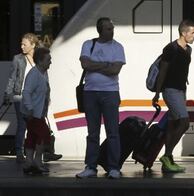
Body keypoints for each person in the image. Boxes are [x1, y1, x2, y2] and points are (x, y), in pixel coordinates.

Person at [76, 17, 126, 179]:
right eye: (108, 29)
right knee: (92, 133)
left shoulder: (118, 47)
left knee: (113, 132)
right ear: (100, 30)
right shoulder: (88, 44)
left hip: (110, 93)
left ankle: (114, 167)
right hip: (90, 93)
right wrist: (106, 65)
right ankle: (90, 167)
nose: (112, 32)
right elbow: (85, 65)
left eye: (112, 28)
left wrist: (95, 65)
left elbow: (115, 70)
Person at [3, 33, 62, 163]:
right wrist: (8, 95)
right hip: (21, 97)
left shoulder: (41, 58)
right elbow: (12, 78)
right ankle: (21, 152)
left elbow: (45, 79)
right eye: (21, 44)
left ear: (33, 45)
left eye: (25, 44)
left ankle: (40, 155)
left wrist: (48, 96)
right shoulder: (18, 59)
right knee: (24, 126)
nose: (22, 46)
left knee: (38, 127)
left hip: (38, 99)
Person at [152, 19, 194, 173]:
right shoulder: (170, 49)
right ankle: (167, 155)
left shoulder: (188, 50)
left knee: (172, 124)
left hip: (181, 90)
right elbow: (163, 71)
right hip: (170, 90)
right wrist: (157, 93)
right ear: (184, 33)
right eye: (192, 32)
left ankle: (168, 160)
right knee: (184, 122)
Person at [20, 47, 53, 174]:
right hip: (32, 113)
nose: (50, 62)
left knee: (32, 136)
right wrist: (30, 109)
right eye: (48, 59)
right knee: (44, 135)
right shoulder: (34, 74)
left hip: (38, 112)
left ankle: (29, 163)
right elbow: (26, 92)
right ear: (40, 61)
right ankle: (37, 162)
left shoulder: (43, 72)